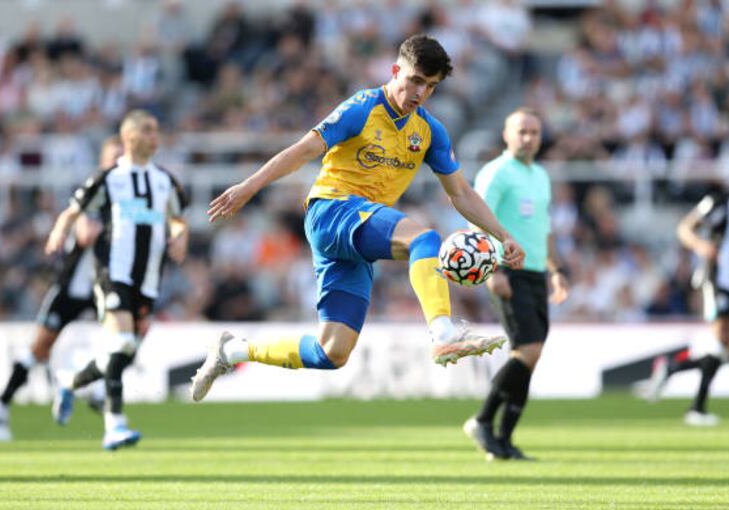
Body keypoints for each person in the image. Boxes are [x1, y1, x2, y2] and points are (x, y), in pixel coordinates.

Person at [190, 34, 525, 402]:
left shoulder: (429, 131)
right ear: (396, 70)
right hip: (331, 210)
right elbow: (305, 149)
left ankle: (233, 351)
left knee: (332, 352)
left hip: (358, 234)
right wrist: (249, 187)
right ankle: (443, 332)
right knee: (425, 240)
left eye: (430, 86)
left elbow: (460, 192)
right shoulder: (362, 107)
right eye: (415, 80)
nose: (420, 93)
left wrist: (501, 234)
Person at [45, 109, 189, 450]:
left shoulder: (165, 181)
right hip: (113, 272)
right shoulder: (110, 178)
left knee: (124, 351)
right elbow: (74, 209)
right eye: (149, 130)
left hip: (148, 279)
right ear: (130, 138)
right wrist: (59, 229)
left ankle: (70, 380)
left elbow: (178, 219)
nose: (156, 136)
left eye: (157, 130)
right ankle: (115, 425)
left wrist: (181, 236)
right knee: (121, 342)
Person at [0, 136, 123, 442]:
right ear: (102, 162)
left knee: (121, 341)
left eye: (122, 157)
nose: (117, 163)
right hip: (71, 289)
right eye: (112, 157)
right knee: (38, 349)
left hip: (102, 289)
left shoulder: (129, 198)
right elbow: (86, 233)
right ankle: (1, 406)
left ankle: (92, 392)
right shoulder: (92, 196)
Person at [463, 108, 569, 461]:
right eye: (522, 131)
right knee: (529, 349)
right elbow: (478, 222)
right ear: (506, 135)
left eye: (534, 132)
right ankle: (481, 421)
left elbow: (544, 228)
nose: (528, 138)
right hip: (509, 271)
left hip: (537, 272)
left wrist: (555, 270)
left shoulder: (540, 175)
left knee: (528, 357)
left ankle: (503, 441)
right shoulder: (496, 173)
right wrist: (492, 269)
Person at [647, 153, 729, 426]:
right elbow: (685, 228)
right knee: (721, 339)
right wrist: (701, 246)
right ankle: (697, 408)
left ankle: (671, 366)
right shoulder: (722, 201)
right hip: (717, 279)